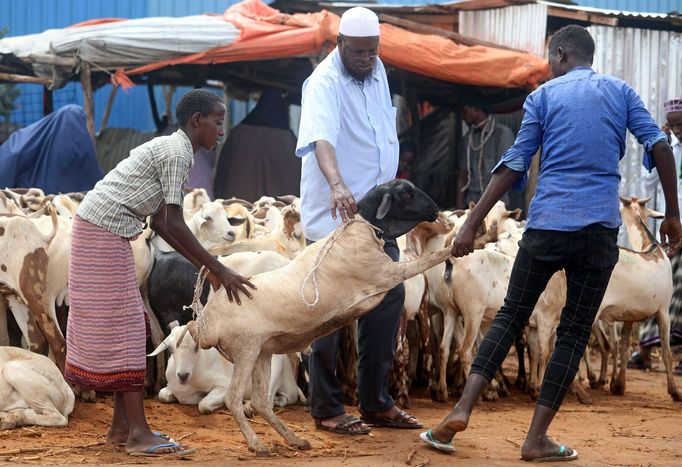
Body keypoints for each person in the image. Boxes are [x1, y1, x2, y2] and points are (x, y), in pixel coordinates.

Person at [419, 25, 682, 462]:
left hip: (546, 226)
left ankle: (461, 410)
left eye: (548, 59)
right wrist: (673, 213)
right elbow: (659, 145)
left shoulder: (543, 97)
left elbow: (512, 165)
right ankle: (536, 438)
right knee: (574, 333)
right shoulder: (622, 93)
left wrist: (471, 224)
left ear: (559, 54)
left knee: (509, 317)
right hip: (598, 230)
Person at [65, 89, 256, 457]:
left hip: (104, 229)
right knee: (128, 327)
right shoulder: (177, 152)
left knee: (132, 323)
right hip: (102, 231)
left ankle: (122, 427)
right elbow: (174, 223)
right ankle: (138, 432)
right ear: (196, 121)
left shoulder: (177, 150)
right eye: (218, 122)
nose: (222, 130)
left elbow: (162, 224)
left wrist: (209, 268)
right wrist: (219, 268)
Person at [295, 7, 421, 435]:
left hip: (377, 217)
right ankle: (327, 408)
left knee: (388, 297)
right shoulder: (323, 82)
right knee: (327, 312)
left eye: (373, 50)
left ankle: (375, 401)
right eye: (359, 52)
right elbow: (321, 138)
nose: (367, 58)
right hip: (336, 215)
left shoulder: (377, 70)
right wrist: (336, 184)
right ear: (339, 45)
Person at [629, 98, 682, 374]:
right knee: (657, 289)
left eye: (680, 125)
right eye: (672, 126)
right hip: (670, 230)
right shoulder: (668, 147)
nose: (677, 130)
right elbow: (647, 181)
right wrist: (657, 147)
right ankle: (645, 351)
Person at [213, 88, 300, 201]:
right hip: (276, 212)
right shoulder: (288, 140)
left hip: (236, 207)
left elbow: (221, 175)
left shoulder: (238, 134)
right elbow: (297, 181)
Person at [455, 96, 515, 208]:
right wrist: (459, 208)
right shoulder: (468, 139)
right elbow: (462, 176)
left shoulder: (502, 134)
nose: (462, 116)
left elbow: (506, 173)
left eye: (464, 111)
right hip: (471, 204)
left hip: (495, 205)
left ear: (476, 110)